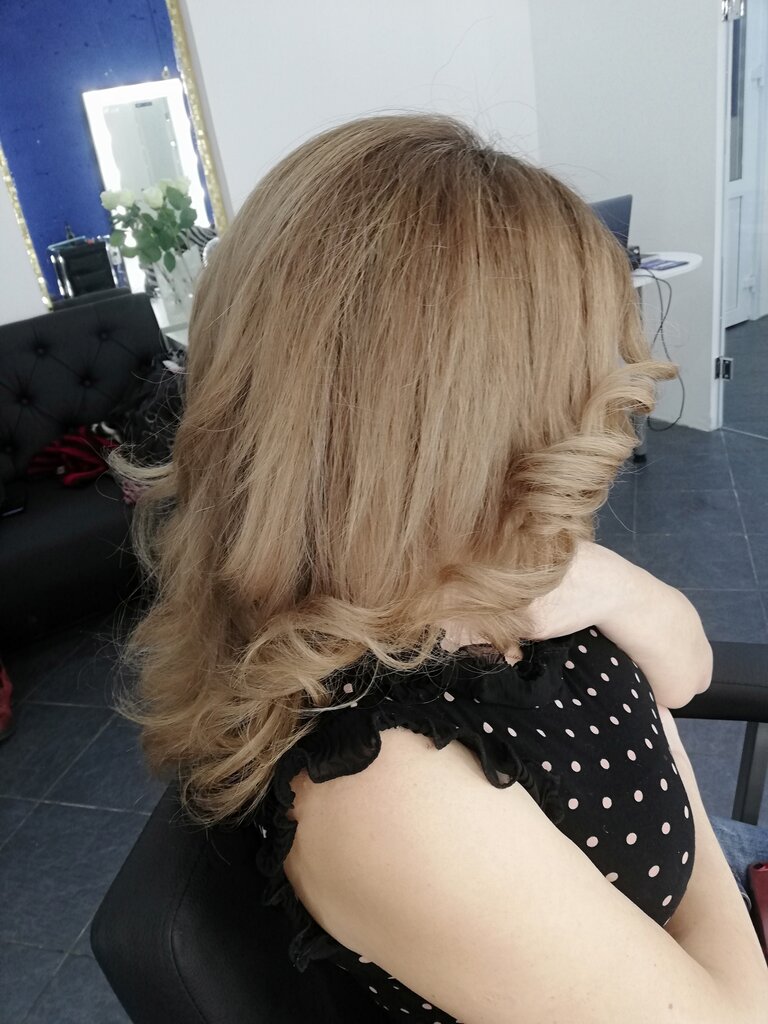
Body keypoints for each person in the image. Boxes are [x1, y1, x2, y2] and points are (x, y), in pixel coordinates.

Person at [110, 114, 768, 1023]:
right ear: (454, 425)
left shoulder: (488, 555)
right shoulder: (387, 790)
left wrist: (609, 585)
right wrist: (705, 840)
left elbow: (686, 673)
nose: (610, 388)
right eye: (572, 361)